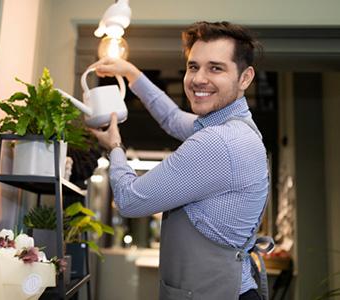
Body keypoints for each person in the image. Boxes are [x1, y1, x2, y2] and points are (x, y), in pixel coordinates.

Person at [89, 21, 274, 300]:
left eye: (216, 68)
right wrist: (131, 73)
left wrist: (115, 146)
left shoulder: (217, 143)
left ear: (245, 78)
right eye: (193, 66)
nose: (199, 78)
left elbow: (129, 200)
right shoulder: (233, 126)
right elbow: (172, 119)